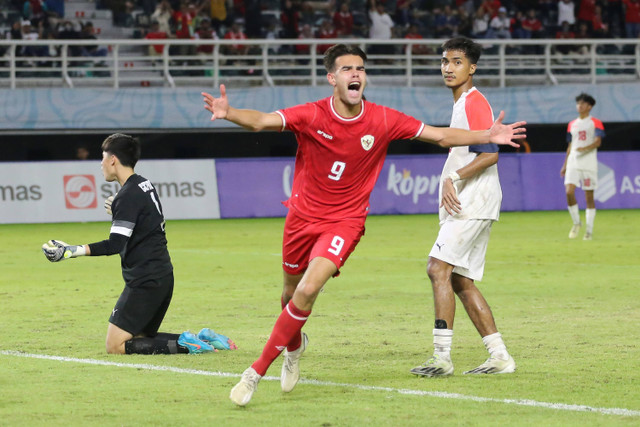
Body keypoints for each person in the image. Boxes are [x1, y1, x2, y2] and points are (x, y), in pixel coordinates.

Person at [201, 43, 526, 406]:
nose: (355, 74)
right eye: (347, 69)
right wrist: (230, 113)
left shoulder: (383, 119)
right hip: (302, 217)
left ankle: (254, 373)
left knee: (309, 290)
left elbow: (440, 135)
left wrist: (487, 136)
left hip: (345, 221)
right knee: (290, 294)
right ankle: (294, 346)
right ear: (332, 78)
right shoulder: (311, 115)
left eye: (360, 68)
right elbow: (261, 121)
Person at [42, 133, 237, 355]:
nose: (101, 164)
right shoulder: (143, 184)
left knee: (115, 346)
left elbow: (115, 244)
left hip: (145, 281)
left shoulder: (127, 196)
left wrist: (70, 251)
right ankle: (204, 339)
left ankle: (186, 344)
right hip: (161, 276)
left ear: (113, 159)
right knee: (139, 338)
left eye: (103, 158)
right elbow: (144, 220)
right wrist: (117, 209)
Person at [410, 36, 516, 379]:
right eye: (444, 61)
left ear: (472, 67)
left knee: (436, 268)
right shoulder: (461, 104)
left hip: (474, 200)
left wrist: (451, 177)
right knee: (461, 280)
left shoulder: (473, 101)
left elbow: (490, 152)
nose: (448, 68)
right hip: (472, 201)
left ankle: (441, 356)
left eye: (457, 62)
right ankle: (500, 356)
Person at [560, 93, 604, 240]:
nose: (580, 106)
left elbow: (598, 142)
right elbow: (570, 145)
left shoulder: (595, 122)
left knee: (589, 197)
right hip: (573, 161)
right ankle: (577, 222)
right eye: (578, 103)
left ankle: (589, 231)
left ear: (589, 107)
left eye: (583, 104)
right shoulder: (572, 124)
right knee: (569, 192)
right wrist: (565, 164)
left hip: (588, 163)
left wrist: (584, 149)